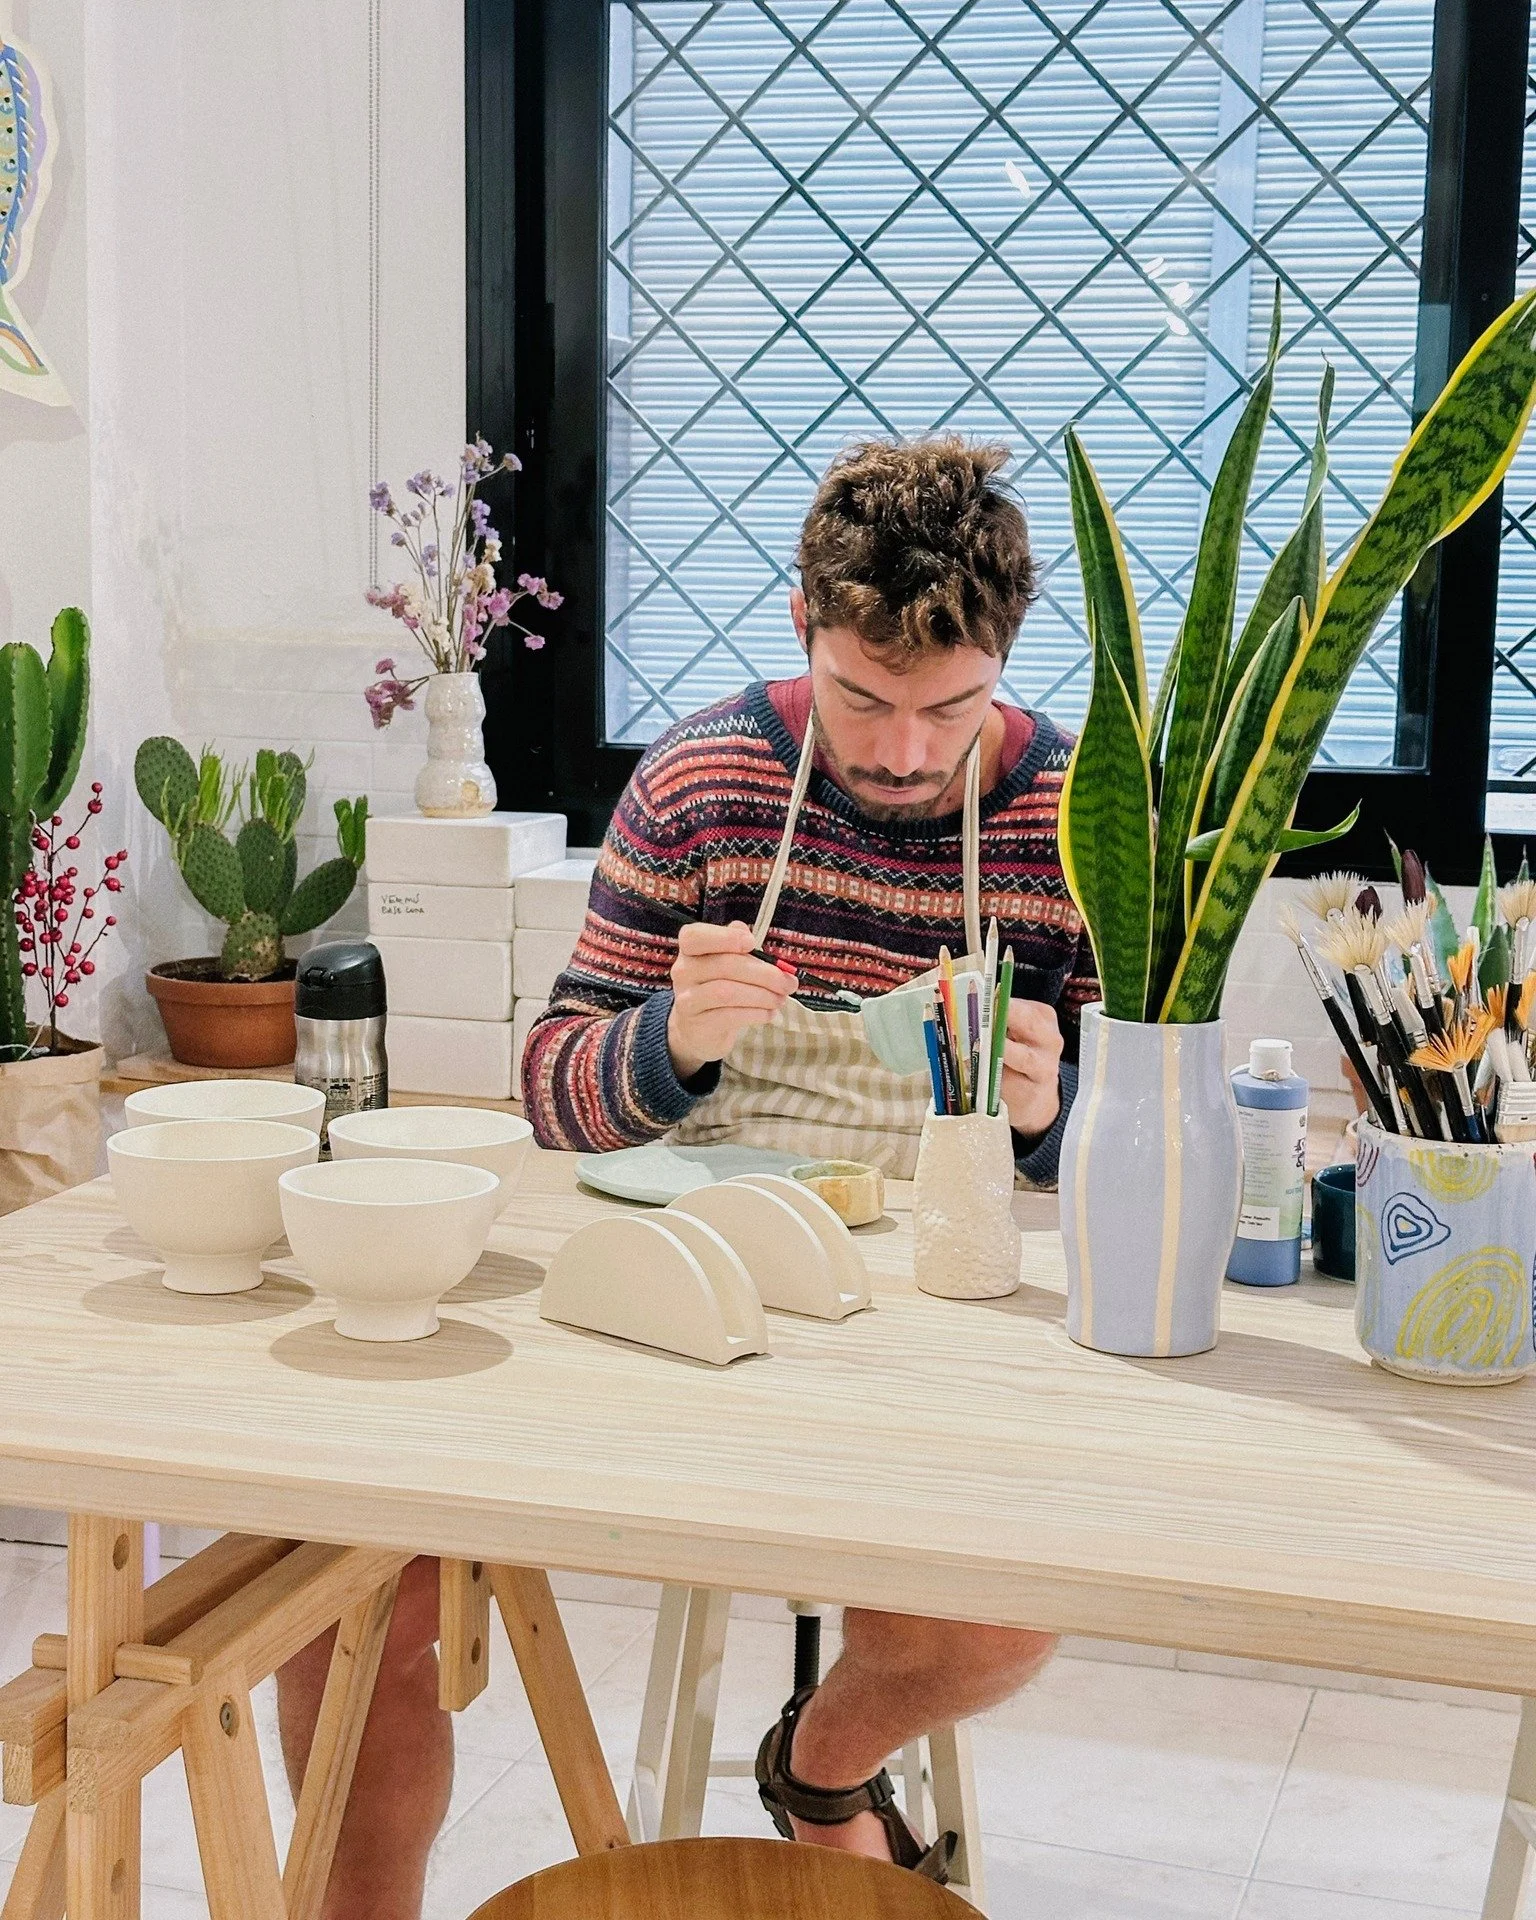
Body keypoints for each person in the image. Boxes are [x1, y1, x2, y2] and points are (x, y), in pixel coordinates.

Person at [274, 437, 1092, 1914]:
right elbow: (552, 1092)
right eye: (862, 700)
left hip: (943, 1339)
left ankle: (821, 1763)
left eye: (947, 710)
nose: (904, 751)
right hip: (687, 1318)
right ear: (800, 630)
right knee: (340, 1574)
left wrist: (1055, 1113)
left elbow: (1151, 1166)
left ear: (1005, 666)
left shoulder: (1077, 820)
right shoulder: (707, 781)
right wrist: (670, 1042)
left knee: (1009, 1612)